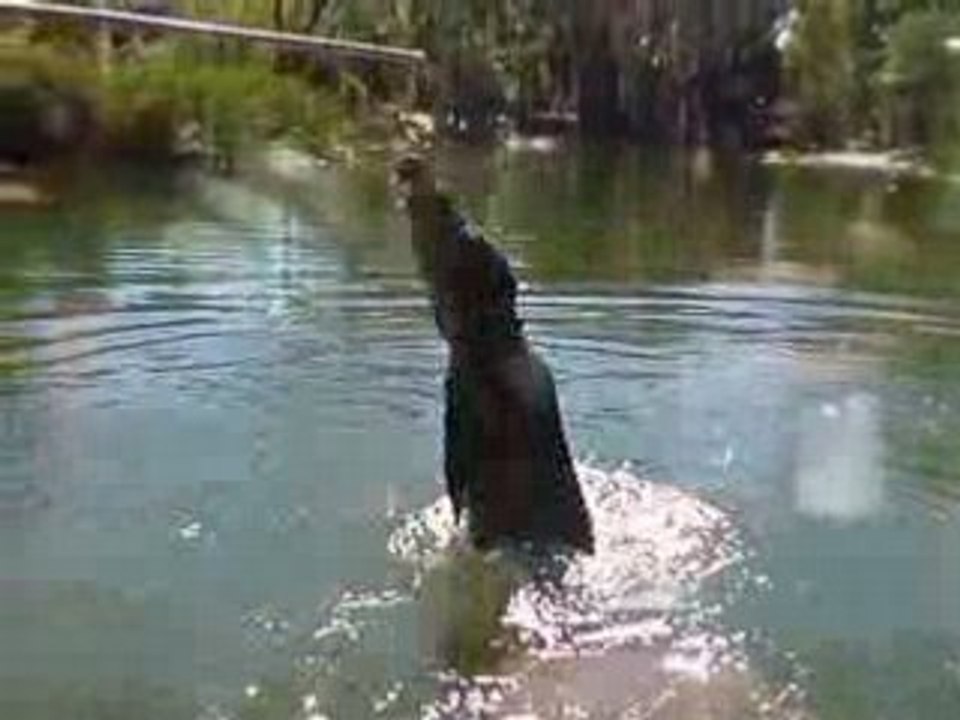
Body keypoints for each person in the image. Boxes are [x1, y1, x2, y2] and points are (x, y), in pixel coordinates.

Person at [394, 155, 594, 553]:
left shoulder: (454, 249)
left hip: (495, 378)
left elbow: (474, 314)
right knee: (550, 518)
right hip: (515, 374)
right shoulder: (455, 243)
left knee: (499, 522)